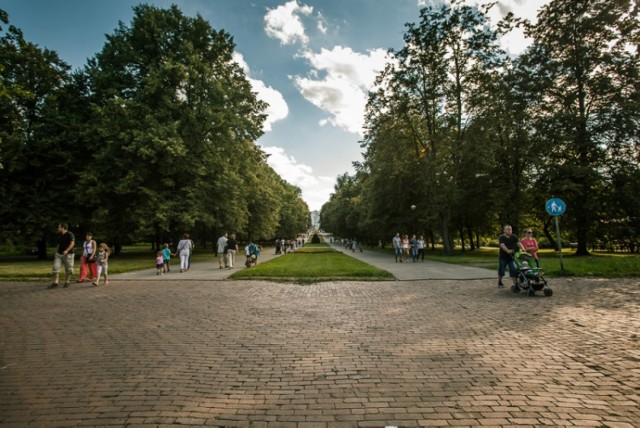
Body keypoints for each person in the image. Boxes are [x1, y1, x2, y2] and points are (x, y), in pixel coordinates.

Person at [49, 223, 75, 289]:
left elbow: (72, 243)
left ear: (63, 228)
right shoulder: (59, 235)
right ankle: (55, 282)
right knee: (55, 267)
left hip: (68, 254)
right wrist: (56, 252)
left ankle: (67, 281)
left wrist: (66, 250)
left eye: (59, 227)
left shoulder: (70, 234)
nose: (58, 228)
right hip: (59, 254)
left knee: (69, 269)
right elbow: (58, 244)